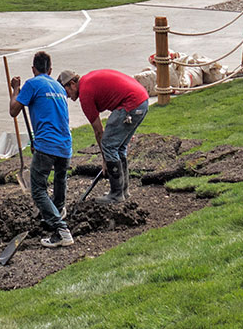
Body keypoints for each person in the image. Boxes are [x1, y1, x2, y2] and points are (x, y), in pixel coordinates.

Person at [8, 51, 76, 247]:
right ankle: (56, 214)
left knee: (38, 189)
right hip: (65, 143)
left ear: (33, 69)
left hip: (48, 144)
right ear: (50, 69)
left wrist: (15, 89)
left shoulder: (32, 84)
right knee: (60, 180)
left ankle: (61, 229)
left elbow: (14, 110)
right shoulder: (58, 87)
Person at [60, 67, 151, 202]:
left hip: (131, 102)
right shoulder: (87, 80)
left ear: (72, 84)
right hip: (141, 100)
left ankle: (116, 194)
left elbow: (98, 131)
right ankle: (123, 191)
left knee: (109, 145)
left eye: (65, 90)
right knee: (118, 147)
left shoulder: (85, 94)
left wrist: (105, 160)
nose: (66, 96)